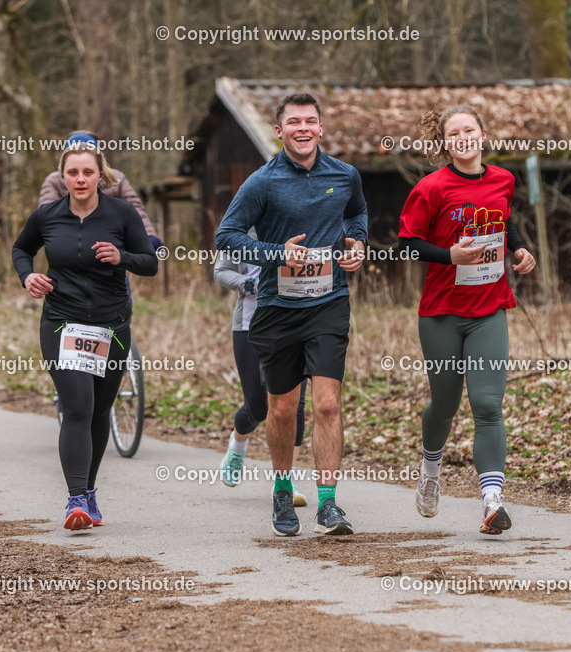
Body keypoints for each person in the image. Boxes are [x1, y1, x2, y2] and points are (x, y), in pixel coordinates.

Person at [215, 92, 368, 537]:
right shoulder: (262, 182)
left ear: (321, 128)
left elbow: (356, 214)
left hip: (328, 302)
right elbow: (227, 236)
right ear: (279, 131)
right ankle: (282, 492)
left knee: (327, 403)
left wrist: (356, 244)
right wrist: (274, 253)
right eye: (294, 122)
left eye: (311, 121)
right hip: (278, 308)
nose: (303, 129)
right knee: (281, 410)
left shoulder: (345, 175)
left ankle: (328, 503)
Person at [398, 105, 536, 534]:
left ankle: (492, 503)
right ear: (446, 143)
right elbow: (407, 243)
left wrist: (518, 249)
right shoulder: (431, 187)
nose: (463, 138)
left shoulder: (503, 179)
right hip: (441, 313)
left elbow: (503, 220)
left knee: (488, 406)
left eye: (469, 130)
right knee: (445, 405)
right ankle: (431, 470)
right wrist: (449, 256)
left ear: (482, 134)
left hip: (489, 309)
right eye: (454, 133)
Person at [13, 142, 158, 530]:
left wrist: (121, 257)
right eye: (73, 173)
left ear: (100, 176)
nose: (80, 179)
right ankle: (75, 499)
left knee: (98, 410)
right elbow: (20, 249)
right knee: (77, 406)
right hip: (62, 323)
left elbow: (150, 263)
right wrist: (28, 275)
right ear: (63, 176)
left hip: (112, 325)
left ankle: (90, 493)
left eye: (87, 172)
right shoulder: (46, 216)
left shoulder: (122, 214)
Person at [214, 245, 309, 506]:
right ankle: (237, 446)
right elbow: (220, 271)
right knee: (257, 406)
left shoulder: (298, 219)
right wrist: (249, 282)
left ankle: (286, 479)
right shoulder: (244, 225)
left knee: (294, 404)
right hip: (249, 324)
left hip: (294, 323)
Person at [39, 131, 163, 252]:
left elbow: (135, 209)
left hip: (112, 248)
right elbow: (47, 214)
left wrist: (148, 236)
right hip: (69, 249)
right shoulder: (54, 181)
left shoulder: (116, 178)